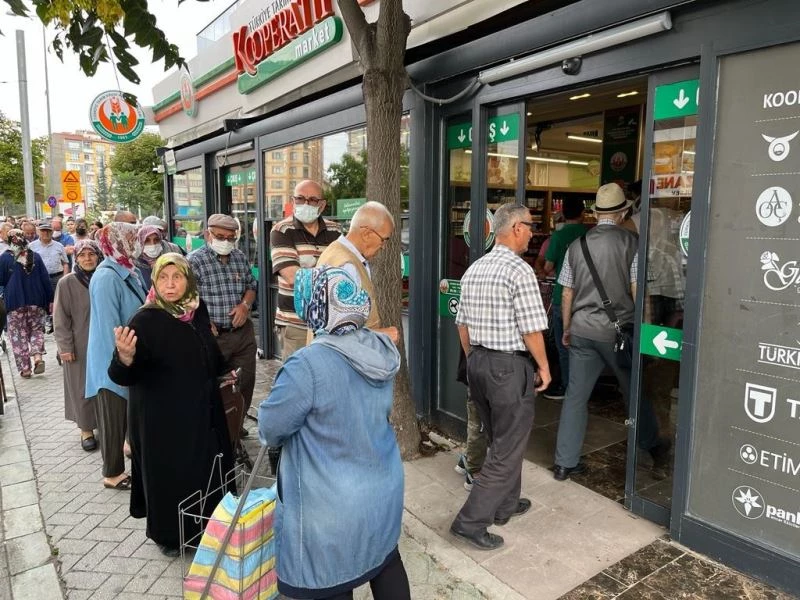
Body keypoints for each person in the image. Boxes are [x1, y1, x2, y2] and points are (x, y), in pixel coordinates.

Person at [259, 266, 410, 600]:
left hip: (330, 503)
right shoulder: (378, 348)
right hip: (381, 487)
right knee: (384, 559)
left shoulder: (307, 366)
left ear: (313, 307)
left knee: (330, 580)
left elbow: (271, 429)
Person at [109, 253, 234, 557]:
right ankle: (170, 536)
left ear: (188, 280)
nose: (170, 284)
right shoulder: (146, 319)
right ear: (154, 281)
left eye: (177, 277)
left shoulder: (196, 309)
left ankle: (212, 527)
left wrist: (221, 371)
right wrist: (124, 357)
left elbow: (206, 349)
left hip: (202, 411)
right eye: (163, 278)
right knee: (171, 476)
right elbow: (123, 374)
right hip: (163, 421)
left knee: (207, 467)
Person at [450, 203, 551, 551]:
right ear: (516, 228)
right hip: (509, 368)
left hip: (478, 362)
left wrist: (473, 358)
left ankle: (507, 504)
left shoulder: (475, 268)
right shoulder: (519, 271)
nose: (533, 233)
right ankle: (470, 522)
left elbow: (461, 323)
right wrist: (545, 367)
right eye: (531, 226)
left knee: (500, 440)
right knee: (507, 448)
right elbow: (532, 329)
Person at [554, 183, 670, 481]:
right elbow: (637, 290)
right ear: (622, 212)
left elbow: (567, 292)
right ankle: (651, 444)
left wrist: (567, 328)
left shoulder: (576, 245)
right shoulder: (631, 242)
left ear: (595, 213)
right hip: (619, 334)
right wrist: (644, 328)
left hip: (581, 330)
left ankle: (564, 463)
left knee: (575, 397)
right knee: (633, 392)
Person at [86, 223, 148, 491]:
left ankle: (126, 450)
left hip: (129, 356)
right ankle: (112, 474)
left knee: (125, 412)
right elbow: (110, 326)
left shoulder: (127, 270)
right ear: (118, 242)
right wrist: (121, 359)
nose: (136, 242)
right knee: (112, 417)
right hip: (111, 361)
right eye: (131, 238)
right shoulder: (106, 277)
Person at [188, 214, 257, 439]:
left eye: (231, 237)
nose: (226, 241)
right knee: (214, 384)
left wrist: (245, 305)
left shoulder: (239, 257)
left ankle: (237, 421)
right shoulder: (194, 261)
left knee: (245, 381)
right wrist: (203, 322)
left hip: (242, 334)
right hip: (214, 336)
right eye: (220, 236)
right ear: (208, 234)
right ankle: (217, 426)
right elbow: (187, 299)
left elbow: (251, 286)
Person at [270, 180, 341, 359]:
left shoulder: (336, 231)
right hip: (296, 323)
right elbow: (293, 276)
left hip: (329, 323)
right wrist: (332, 276)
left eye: (312, 200)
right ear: (293, 201)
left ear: (322, 205)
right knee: (299, 380)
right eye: (300, 198)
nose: (305, 204)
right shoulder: (281, 231)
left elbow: (346, 270)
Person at [315, 201, 396, 334]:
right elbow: (339, 334)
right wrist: (383, 335)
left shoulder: (335, 252)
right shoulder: (347, 266)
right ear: (366, 234)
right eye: (383, 239)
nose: (384, 246)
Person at [54, 240, 102, 452]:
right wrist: (65, 347)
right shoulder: (67, 283)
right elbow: (60, 318)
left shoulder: (105, 278)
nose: (87, 259)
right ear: (76, 258)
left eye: (91, 254)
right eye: (82, 255)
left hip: (103, 341)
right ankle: (86, 429)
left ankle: (106, 423)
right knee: (80, 386)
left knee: (104, 385)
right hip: (79, 344)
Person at [542, 197, 589, 400]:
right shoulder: (590, 234)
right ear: (583, 214)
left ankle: (568, 387)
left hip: (564, 296)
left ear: (563, 213)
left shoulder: (559, 236)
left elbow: (548, 267)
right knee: (585, 347)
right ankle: (584, 388)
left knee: (564, 346)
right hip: (588, 297)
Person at [0, 230, 54, 377]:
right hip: (36, 301)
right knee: (36, 330)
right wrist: (51, 299)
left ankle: (25, 369)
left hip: (15, 303)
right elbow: (46, 281)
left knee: (18, 335)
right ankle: (37, 357)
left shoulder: (4, 259)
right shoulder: (35, 256)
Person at [135, 225, 163, 289]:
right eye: (147, 240)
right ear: (140, 242)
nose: (152, 244)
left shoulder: (166, 261)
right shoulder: (134, 265)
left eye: (156, 240)